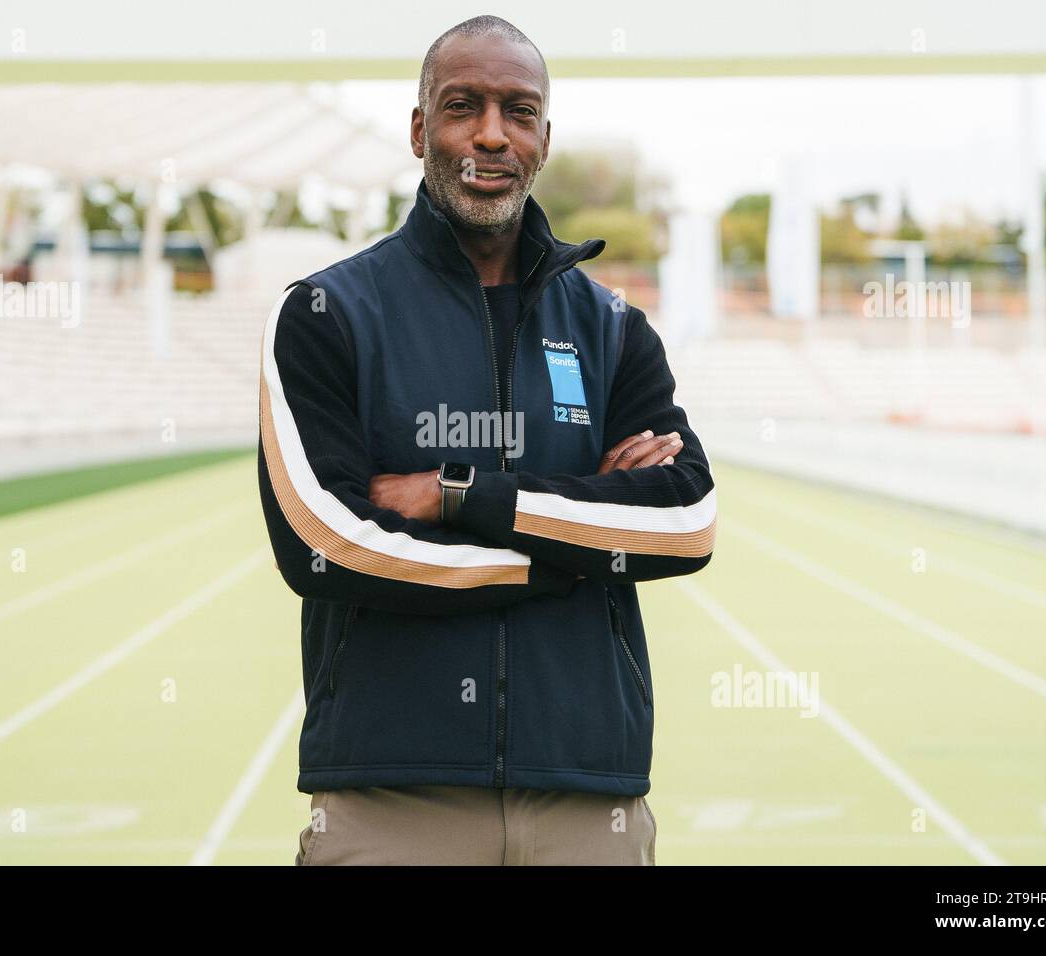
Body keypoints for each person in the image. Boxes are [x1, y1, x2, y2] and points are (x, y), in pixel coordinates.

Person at [257, 15, 716, 865]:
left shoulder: (614, 330)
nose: (492, 133)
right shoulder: (327, 315)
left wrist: (459, 496)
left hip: (589, 797)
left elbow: (683, 525)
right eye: (463, 105)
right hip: (390, 792)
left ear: (544, 137)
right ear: (419, 128)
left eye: (519, 110)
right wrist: (568, 559)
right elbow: (325, 544)